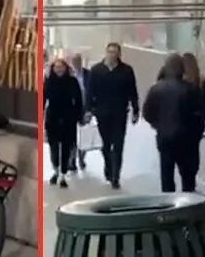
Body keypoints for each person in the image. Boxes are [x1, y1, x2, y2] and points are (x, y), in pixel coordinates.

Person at [142, 54, 205, 193]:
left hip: (164, 137)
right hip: (186, 137)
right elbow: (201, 112)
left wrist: (158, 124)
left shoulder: (156, 89)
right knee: (187, 174)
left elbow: (147, 113)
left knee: (167, 172)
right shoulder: (190, 89)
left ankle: (168, 203)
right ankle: (188, 201)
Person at [87, 42, 139, 189]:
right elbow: (90, 91)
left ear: (119, 54)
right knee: (105, 145)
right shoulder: (96, 70)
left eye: (115, 52)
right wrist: (88, 109)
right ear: (106, 53)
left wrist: (135, 110)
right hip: (102, 113)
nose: (112, 55)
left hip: (120, 112)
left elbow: (132, 91)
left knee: (118, 145)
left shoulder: (126, 70)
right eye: (110, 52)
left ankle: (116, 176)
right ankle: (108, 166)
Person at [43, 58, 85, 188]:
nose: (59, 69)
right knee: (53, 146)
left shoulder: (72, 82)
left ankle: (63, 174)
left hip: (68, 117)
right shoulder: (48, 82)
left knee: (66, 146)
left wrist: (79, 116)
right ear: (53, 68)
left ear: (66, 68)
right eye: (56, 67)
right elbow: (43, 99)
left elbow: (78, 100)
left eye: (61, 67)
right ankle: (55, 169)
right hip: (53, 117)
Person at [67, 52, 91, 172]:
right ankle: (72, 160)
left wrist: (91, 109)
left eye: (78, 61)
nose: (76, 63)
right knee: (72, 136)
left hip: (84, 108)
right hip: (71, 109)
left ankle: (81, 158)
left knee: (84, 136)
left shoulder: (88, 74)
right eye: (74, 61)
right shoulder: (68, 75)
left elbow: (92, 91)